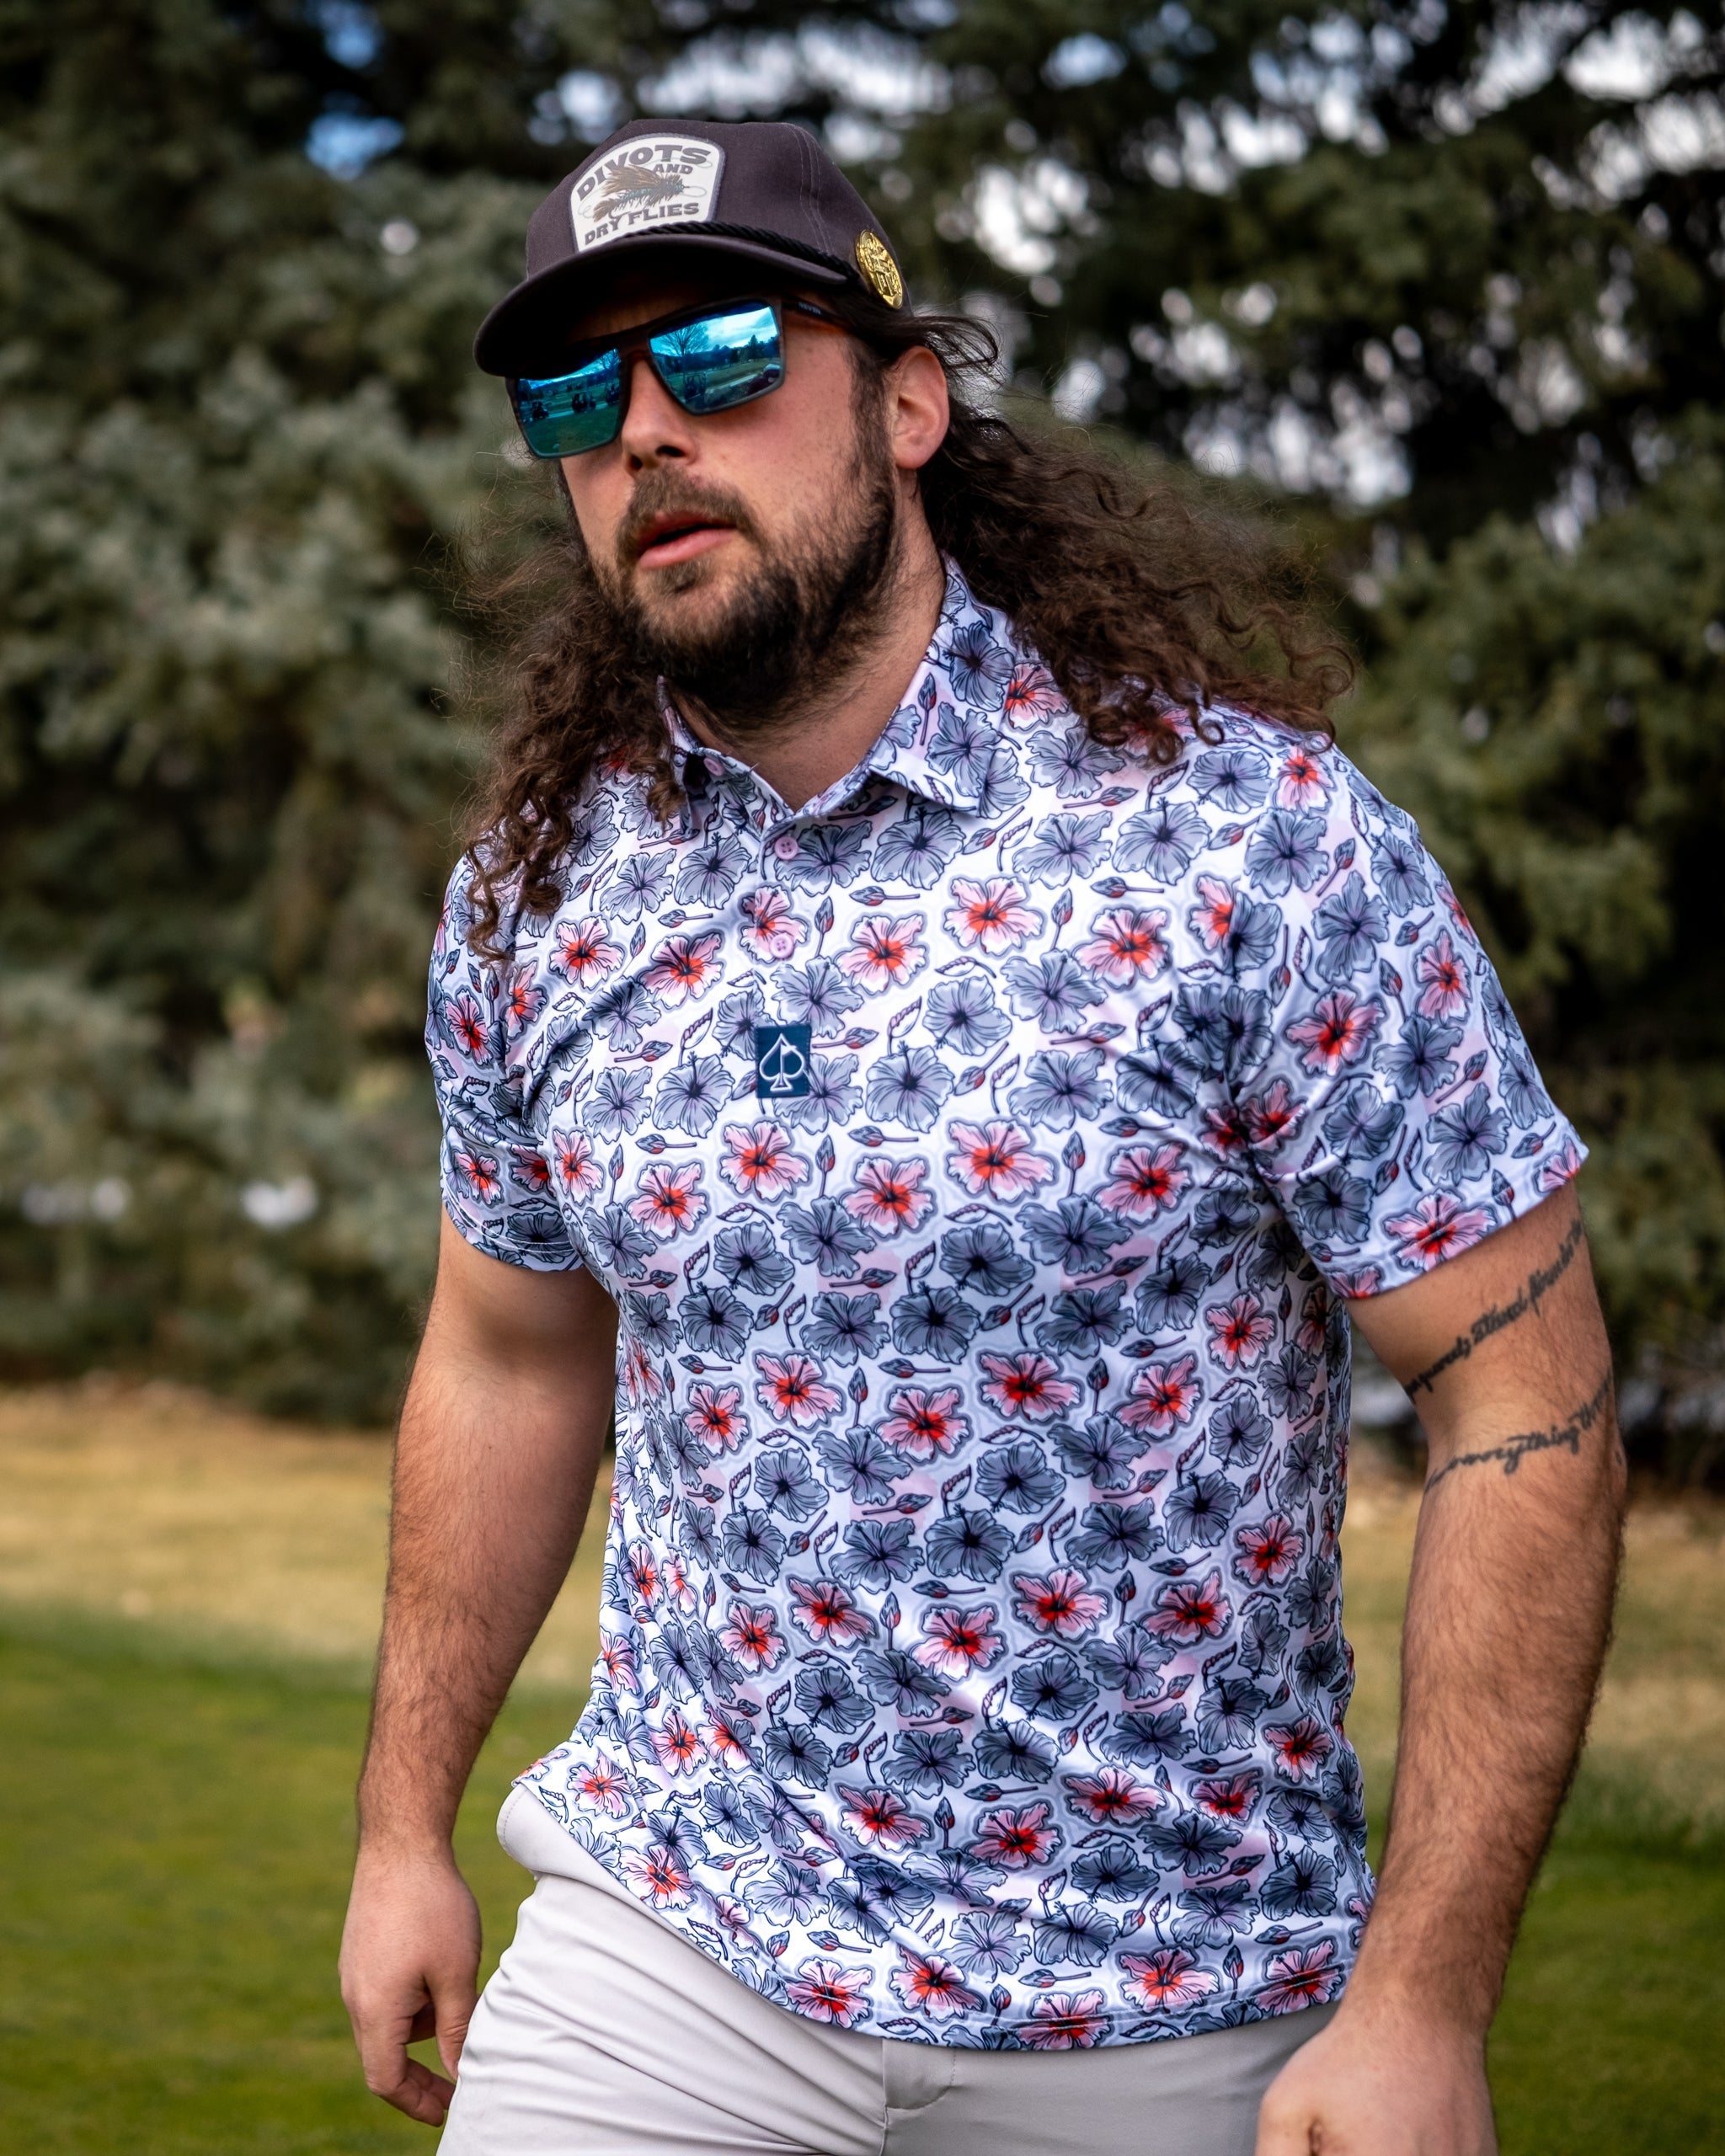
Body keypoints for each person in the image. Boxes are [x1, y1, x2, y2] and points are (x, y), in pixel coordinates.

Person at [338, 117, 1625, 2156]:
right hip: (677, 1938)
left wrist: (1421, 2001)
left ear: (910, 403)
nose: (646, 429)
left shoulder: (1247, 843)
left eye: (722, 356)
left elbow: (1522, 1396)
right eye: (577, 397)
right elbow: (507, 1354)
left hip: (1170, 2000)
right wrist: (404, 1826)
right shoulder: (540, 894)